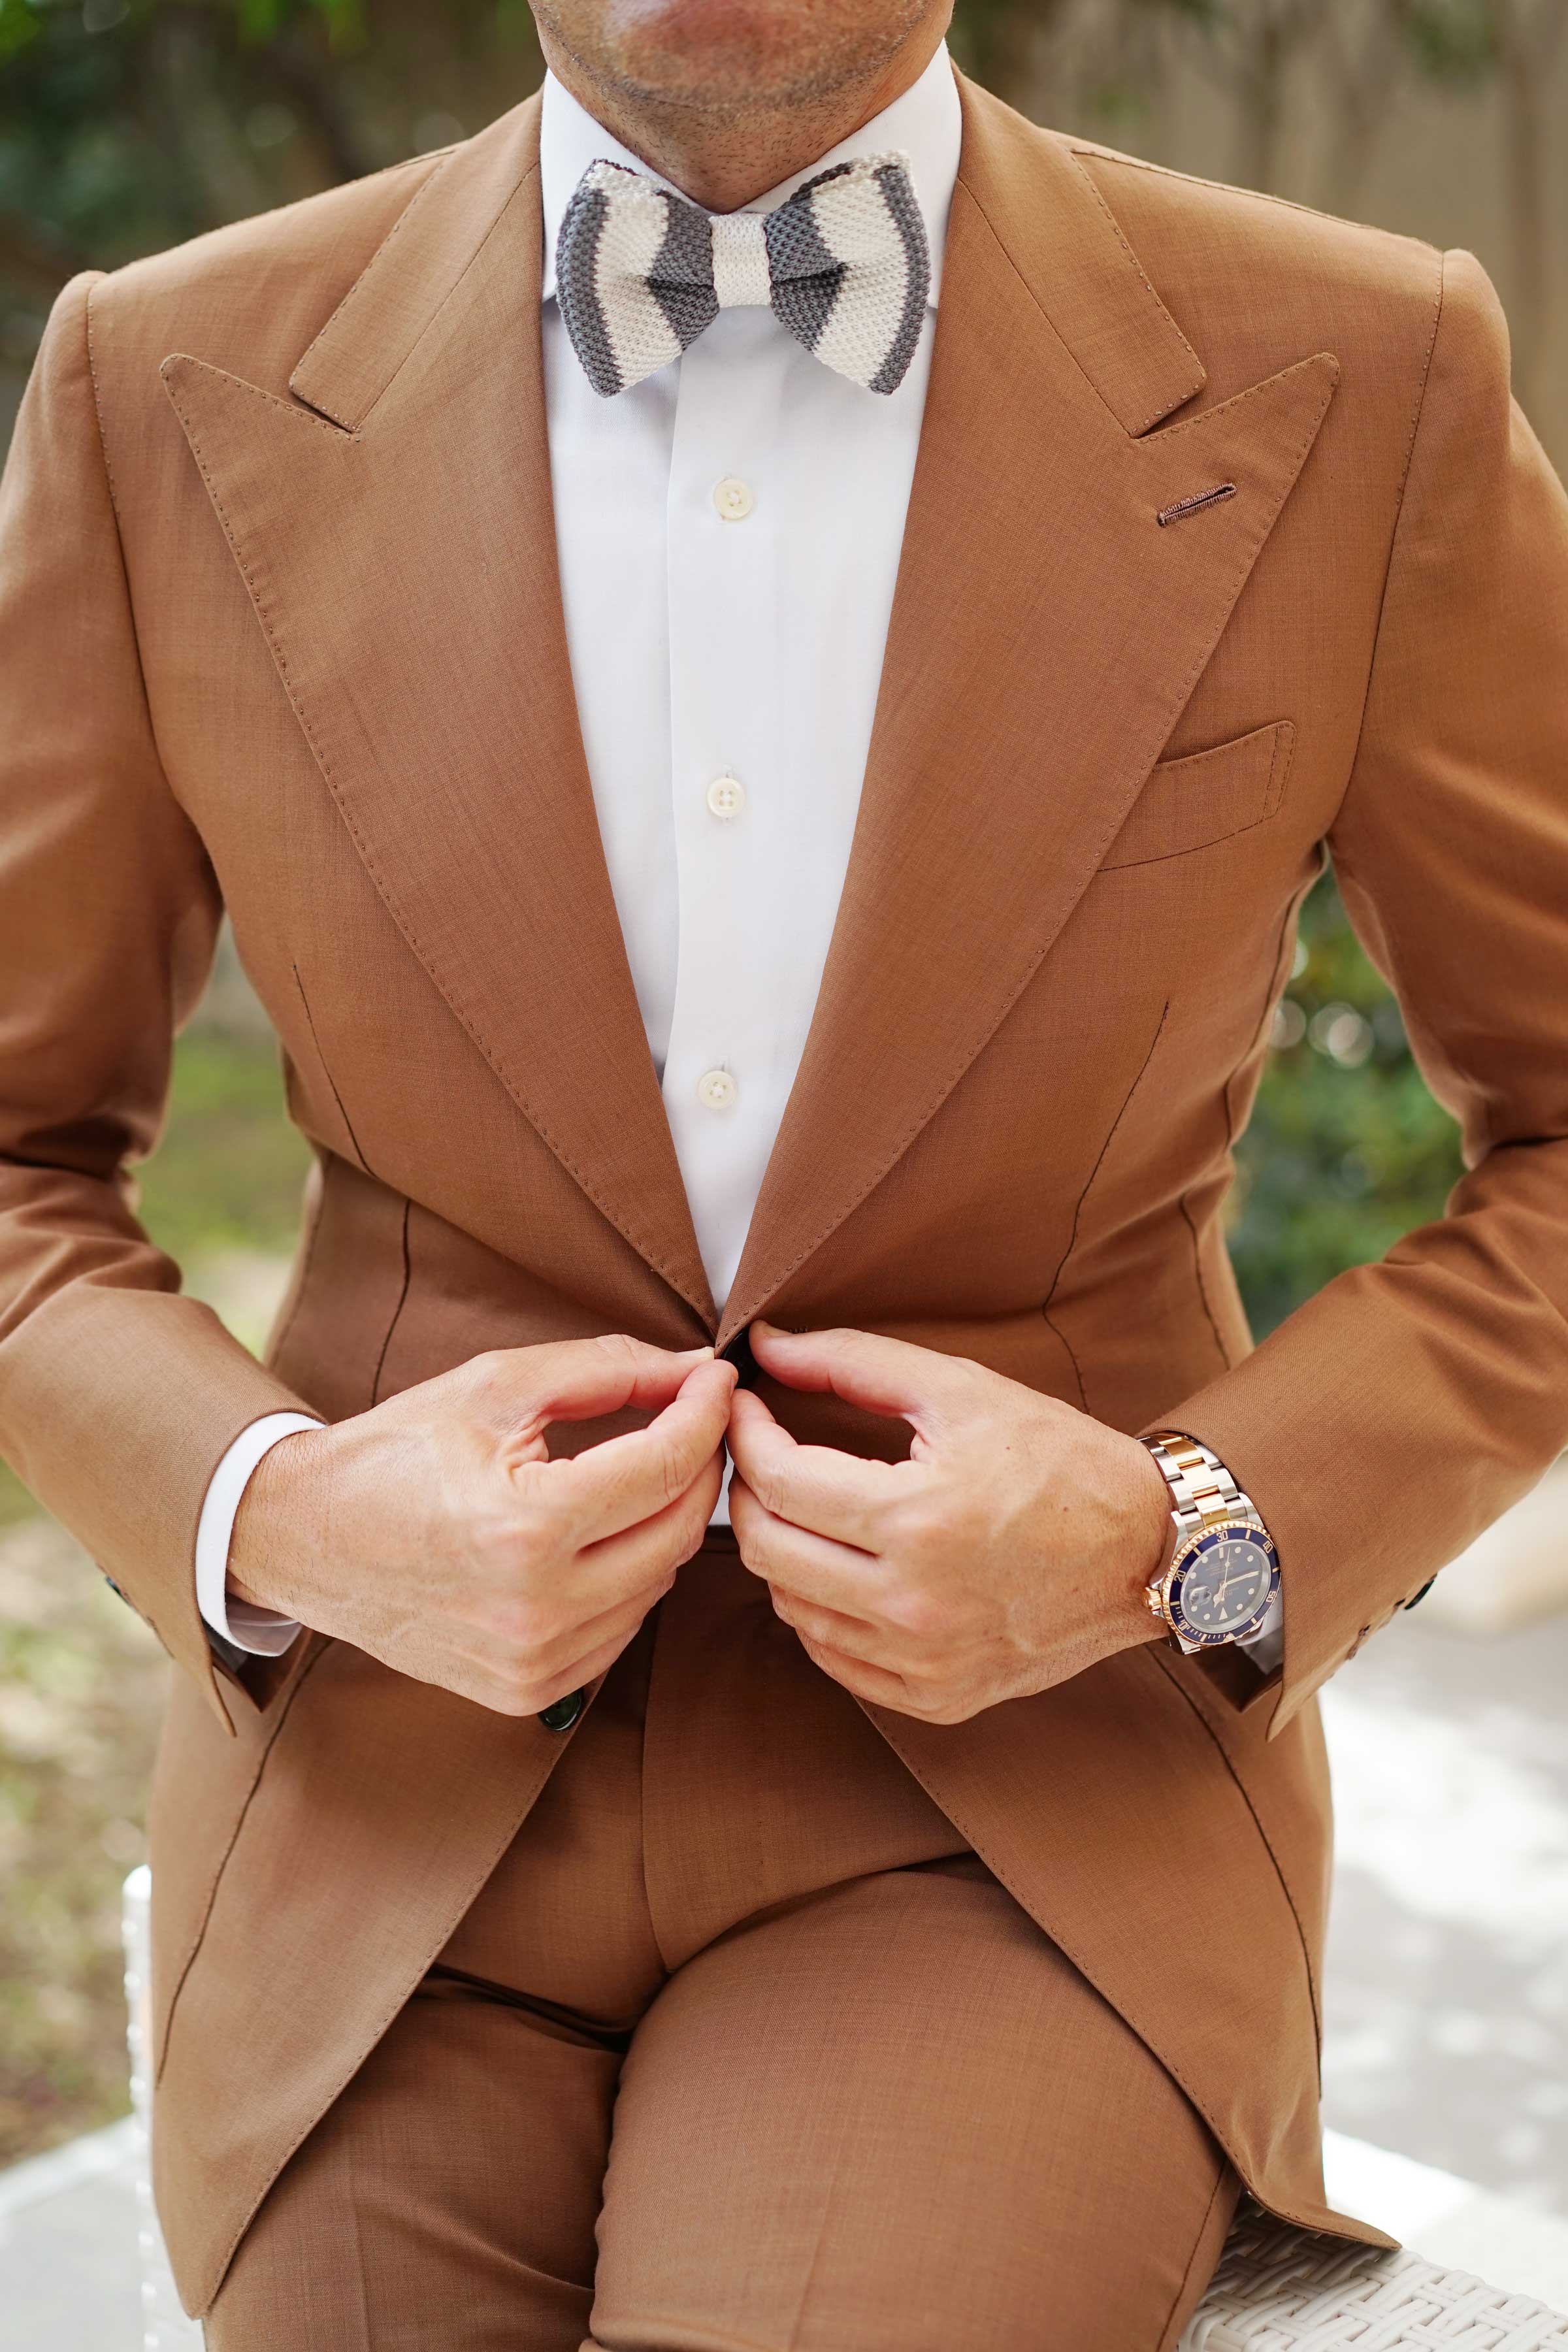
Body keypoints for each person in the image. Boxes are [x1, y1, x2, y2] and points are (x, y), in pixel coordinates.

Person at [3, 0, 1567, 2342]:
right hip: (386, 1809)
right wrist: (287, 1513)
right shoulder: (164, 375)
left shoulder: (1366, 367)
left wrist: (1187, 1531)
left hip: (1018, 1808)